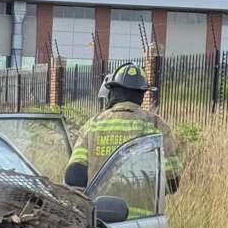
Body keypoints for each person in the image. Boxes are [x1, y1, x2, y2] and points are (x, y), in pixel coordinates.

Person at [63, 63, 181, 193]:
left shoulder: (92, 125)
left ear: (112, 91)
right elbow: (172, 182)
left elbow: (73, 177)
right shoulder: (156, 125)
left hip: (98, 211)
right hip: (145, 213)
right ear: (142, 94)